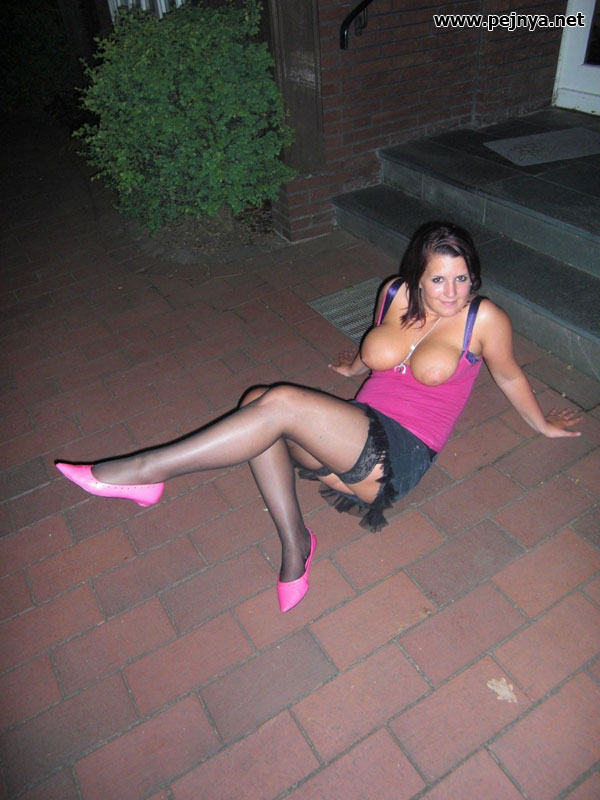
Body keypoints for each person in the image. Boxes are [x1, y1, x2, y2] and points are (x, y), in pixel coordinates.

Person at [56, 221, 581, 612]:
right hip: (356, 431)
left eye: (462, 279)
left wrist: (542, 424)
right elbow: (380, 349)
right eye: (439, 279)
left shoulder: (483, 319)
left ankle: (145, 472)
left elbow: (508, 376)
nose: (452, 292)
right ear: (417, 278)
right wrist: (355, 366)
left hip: (399, 454)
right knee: (259, 401)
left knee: (279, 403)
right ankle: (296, 547)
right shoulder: (394, 293)